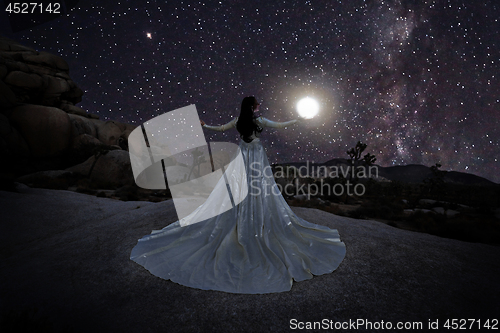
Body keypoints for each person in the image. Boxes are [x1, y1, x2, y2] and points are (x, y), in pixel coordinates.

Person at [130, 96, 346, 294]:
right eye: (257, 104)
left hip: (243, 153)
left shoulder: (238, 120)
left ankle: (241, 211)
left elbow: (221, 128)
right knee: (258, 184)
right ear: (253, 107)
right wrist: (297, 120)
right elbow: (279, 125)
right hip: (255, 154)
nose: (259, 107)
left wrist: (207, 126)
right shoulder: (259, 120)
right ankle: (254, 215)